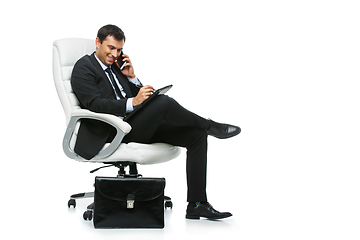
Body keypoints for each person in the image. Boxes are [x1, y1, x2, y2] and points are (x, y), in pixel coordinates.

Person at [71, 24, 241, 220]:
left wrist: (132, 78)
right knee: (163, 103)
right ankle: (211, 125)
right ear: (98, 42)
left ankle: (197, 204)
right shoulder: (83, 67)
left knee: (196, 136)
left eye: (119, 50)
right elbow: (94, 104)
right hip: (113, 132)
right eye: (110, 48)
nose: (115, 54)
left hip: (134, 125)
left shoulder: (116, 66)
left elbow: (137, 98)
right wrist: (133, 102)